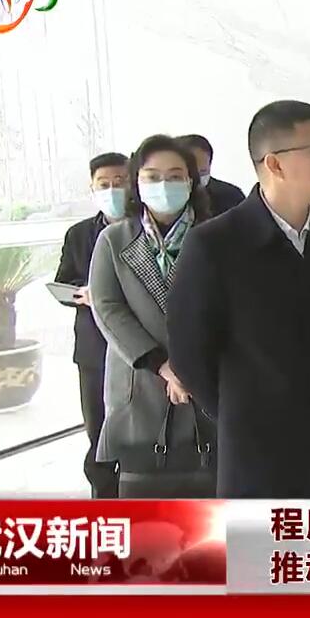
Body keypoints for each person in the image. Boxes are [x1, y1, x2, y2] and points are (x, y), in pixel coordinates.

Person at [167, 100, 310, 499]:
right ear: (274, 164)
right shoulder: (215, 245)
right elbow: (190, 354)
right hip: (258, 449)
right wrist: (244, 408)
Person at [90, 135, 215, 498]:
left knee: (210, 501)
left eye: (175, 176)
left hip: (204, 380)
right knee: (145, 501)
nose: (164, 185)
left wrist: (190, 368)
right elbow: (108, 308)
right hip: (140, 380)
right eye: (152, 176)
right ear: (137, 182)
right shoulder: (113, 239)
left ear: (191, 182)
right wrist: (163, 366)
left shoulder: (215, 235)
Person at [53, 152, 128, 499]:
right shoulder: (79, 234)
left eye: (119, 182)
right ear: (93, 188)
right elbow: (62, 283)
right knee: (97, 429)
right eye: (104, 184)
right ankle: (104, 497)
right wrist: (83, 293)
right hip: (94, 347)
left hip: (140, 345)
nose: (112, 190)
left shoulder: (144, 228)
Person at [176, 134, 246, 214]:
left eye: (203, 172)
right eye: (191, 171)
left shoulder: (230, 197)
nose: (196, 178)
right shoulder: (166, 197)